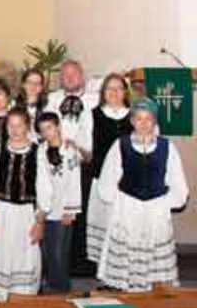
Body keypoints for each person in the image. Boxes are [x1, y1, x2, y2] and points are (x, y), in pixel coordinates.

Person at [96, 98, 188, 292]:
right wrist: (121, 201)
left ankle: (154, 296)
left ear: (154, 121)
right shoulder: (121, 145)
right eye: (139, 118)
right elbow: (107, 179)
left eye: (148, 119)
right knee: (128, 254)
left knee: (155, 264)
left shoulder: (166, 147)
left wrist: (164, 202)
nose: (144, 123)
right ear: (132, 121)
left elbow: (177, 181)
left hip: (156, 210)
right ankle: (127, 292)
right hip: (128, 209)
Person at [0, 108, 51, 302]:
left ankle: (20, 304)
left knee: (24, 258)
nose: (14, 129)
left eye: (19, 125)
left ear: (27, 127)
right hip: (0, 212)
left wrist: (40, 222)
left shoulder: (38, 152)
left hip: (25, 215)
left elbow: (44, 189)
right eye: (10, 125)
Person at [45, 59, 96, 274]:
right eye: (64, 76)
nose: (69, 78)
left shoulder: (93, 98)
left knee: (82, 211)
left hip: (85, 162)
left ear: (82, 75)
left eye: (73, 74)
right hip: (59, 162)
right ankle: (59, 263)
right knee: (59, 210)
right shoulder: (52, 99)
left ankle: (80, 261)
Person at [86, 73, 132, 265]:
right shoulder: (91, 115)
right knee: (104, 226)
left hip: (129, 183)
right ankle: (104, 272)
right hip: (101, 180)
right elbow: (86, 150)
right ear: (103, 92)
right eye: (109, 88)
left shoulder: (135, 115)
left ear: (125, 92)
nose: (114, 92)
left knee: (125, 227)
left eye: (118, 88)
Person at [36, 112, 81, 294]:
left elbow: (74, 181)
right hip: (44, 208)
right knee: (45, 250)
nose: (47, 133)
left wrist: (71, 210)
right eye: (42, 130)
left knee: (59, 252)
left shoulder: (70, 152)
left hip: (63, 209)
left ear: (58, 127)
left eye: (50, 128)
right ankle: (47, 283)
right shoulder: (40, 150)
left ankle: (61, 288)